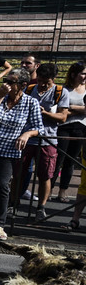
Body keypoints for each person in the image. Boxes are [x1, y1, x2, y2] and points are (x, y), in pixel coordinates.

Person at [0, 69, 42, 241]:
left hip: (8, 151)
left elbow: (38, 127)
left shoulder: (30, 103)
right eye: (7, 81)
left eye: (12, 82)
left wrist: (26, 134)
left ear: (23, 85)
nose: (7, 84)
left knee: (2, 186)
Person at [18, 63, 68, 221]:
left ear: (54, 79)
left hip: (47, 139)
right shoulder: (28, 90)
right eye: (39, 80)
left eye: (46, 82)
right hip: (27, 138)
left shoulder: (60, 92)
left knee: (45, 175)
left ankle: (41, 207)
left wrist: (44, 113)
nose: (42, 84)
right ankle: (13, 203)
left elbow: (63, 117)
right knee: (18, 172)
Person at [55, 62, 86, 203]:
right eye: (83, 73)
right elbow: (59, 110)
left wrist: (70, 108)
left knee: (71, 161)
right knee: (58, 159)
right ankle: (48, 190)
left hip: (80, 128)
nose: (85, 76)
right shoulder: (65, 90)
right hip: (64, 127)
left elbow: (66, 109)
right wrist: (80, 109)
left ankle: (63, 191)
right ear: (74, 74)